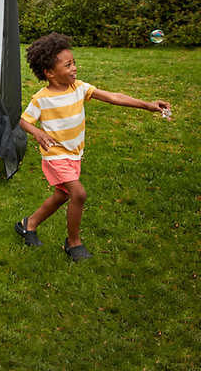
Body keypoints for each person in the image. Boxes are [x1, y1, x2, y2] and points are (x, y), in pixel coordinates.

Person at [16, 32, 171, 262]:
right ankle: (73, 243)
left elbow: (114, 97)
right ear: (49, 72)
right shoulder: (41, 98)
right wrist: (37, 132)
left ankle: (28, 224)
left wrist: (148, 105)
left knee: (62, 195)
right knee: (78, 194)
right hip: (55, 155)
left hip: (74, 154)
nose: (74, 68)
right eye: (68, 65)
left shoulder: (79, 88)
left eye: (74, 63)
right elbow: (23, 120)